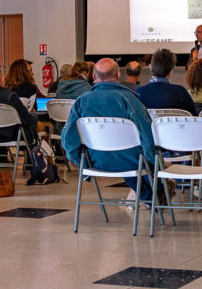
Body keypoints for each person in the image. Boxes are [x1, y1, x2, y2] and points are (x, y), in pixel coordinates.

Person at [61, 58, 156, 200]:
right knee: (148, 159)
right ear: (118, 75)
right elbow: (148, 135)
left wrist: (83, 165)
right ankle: (156, 195)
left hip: (95, 161)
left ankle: (150, 197)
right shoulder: (128, 99)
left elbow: (68, 139)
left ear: (93, 76)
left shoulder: (81, 101)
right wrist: (154, 161)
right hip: (130, 162)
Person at [136, 48, 198, 115]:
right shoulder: (180, 92)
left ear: (151, 68)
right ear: (171, 71)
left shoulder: (139, 93)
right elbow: (194, 118)